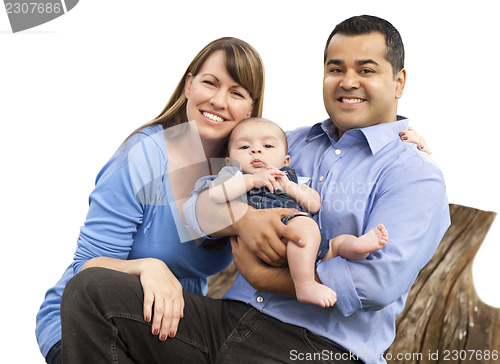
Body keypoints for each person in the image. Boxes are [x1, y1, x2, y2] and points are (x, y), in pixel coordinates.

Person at [60, 15, 449, 364]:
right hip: (228, 321)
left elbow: (378, 283)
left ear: (398, 82)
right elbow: (199, 206)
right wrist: (242, 219)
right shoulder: (286, 143)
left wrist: (267, 279)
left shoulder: (413, 174)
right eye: (335, 69)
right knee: (93, 291)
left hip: (316, 347)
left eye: (366, 70)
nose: (348, 81)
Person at [35, 36, 276, 364]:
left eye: (236, 93)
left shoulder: (242, 174)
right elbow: (86, 268)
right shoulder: (144, 154)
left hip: (168, 326)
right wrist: (148, 267)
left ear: (250, 107)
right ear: (189, 85)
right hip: (88, 319)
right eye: (210, 83)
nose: (220, 101)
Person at [207, 116, 388, 307]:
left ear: (285, 160)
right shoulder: (234, 176)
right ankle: (305, 284)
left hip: (305, 243)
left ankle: (356, 247)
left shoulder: (289, 178)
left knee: (336, 244)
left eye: (268, 146)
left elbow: (314, 204)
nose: (256, 150)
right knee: (306, 226)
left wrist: (290, 188)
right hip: (276, 235)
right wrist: (251, 181)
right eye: (244, 147)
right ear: (229, 161)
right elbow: (216, 194)